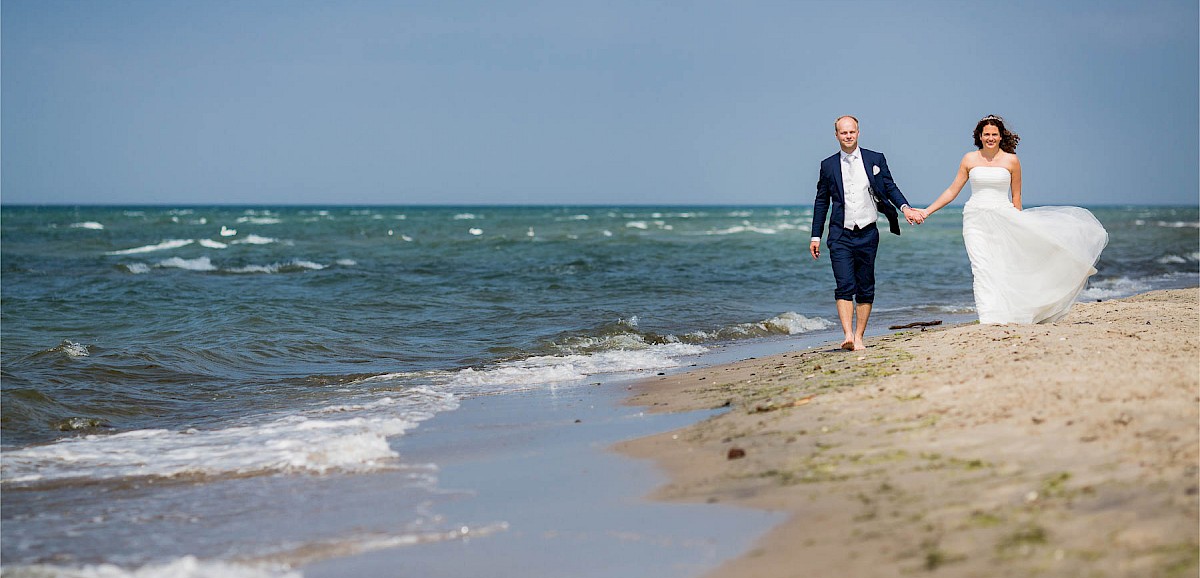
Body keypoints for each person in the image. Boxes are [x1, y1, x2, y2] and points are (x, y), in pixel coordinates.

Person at [916, 114, 1108, 324]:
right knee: (981, 267)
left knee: (1003, 265)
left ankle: (1009, 312)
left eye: (994, 134)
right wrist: (927, 211)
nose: (990, 138)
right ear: (979, 136)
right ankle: (989, 317)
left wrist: (1022, 227)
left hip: (1004, 217)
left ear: (1000, 137)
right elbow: (952, 190)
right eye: (986, 134)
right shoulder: (969, 159)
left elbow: (1016, 196)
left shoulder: (1011, 160)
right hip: (974, 219)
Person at [811, 115, 924, 351]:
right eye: (843, 133)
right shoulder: (828, 165)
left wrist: (905, 208)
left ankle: (860, 336)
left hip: (867, 233)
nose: (848, 136)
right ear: (837, 136)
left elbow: (890, 187)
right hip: (840, 233)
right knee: (844, 285)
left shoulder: (875, 159)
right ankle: (848, 335)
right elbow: (822, 202)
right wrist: (815, 236)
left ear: (858, 132)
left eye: (852, 132)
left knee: (865, 285)